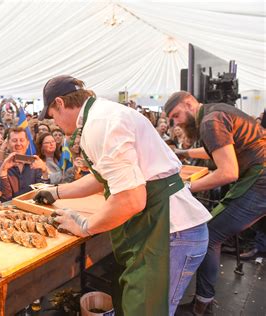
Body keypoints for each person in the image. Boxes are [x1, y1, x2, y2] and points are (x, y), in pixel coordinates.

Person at [34, 75, 211, 316]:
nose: (53, 122)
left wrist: (85, 226)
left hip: (171, 232)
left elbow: (131, 199)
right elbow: (101, 177)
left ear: (60, 103)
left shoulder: (100, 124)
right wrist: (55, 192)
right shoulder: (103, 115)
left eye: (52, 115)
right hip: (167, 227)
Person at [165, 91, 266, 315]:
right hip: (257, 176)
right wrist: (182, 152)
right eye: (172, 119)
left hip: (260, 180)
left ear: (189, 103)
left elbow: (228, 172)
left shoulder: (210, 121)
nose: (177, 122)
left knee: (209, 234)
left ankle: (202, 306)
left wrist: (185, 188)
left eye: (177, 115)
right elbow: (219, 149)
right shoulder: (216, 112)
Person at [0, 127, 49, 201]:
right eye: (14, 140)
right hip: (10, 210)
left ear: (28, 143)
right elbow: (3, 198)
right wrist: (3, 173)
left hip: (32, 208)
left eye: (22, 140)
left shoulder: (35, 163)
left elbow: (43, 193)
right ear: (8, 144)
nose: (18, 144)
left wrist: (45, 172)